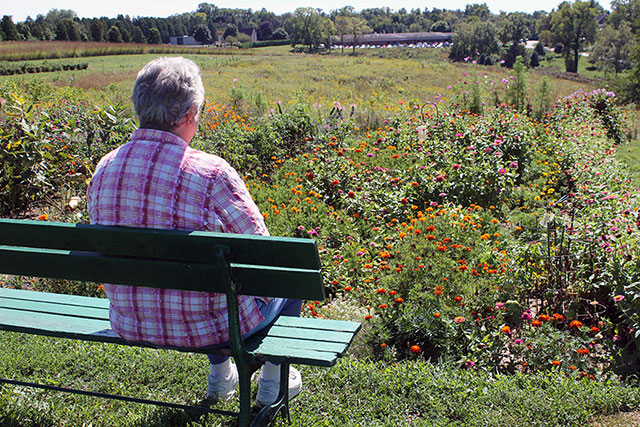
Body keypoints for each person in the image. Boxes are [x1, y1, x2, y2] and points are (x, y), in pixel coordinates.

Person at [86, 56, 301, 406]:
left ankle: (221, 376)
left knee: (196, 288)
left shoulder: (106, 167)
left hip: (132, 320)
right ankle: (273, 379)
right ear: (189, 115)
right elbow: (263, 253)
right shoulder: (211, 173)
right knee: (290, 275)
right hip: (210, 327)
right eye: (197, 114)